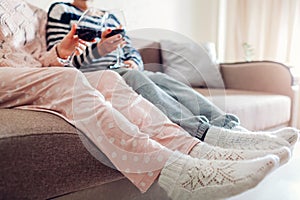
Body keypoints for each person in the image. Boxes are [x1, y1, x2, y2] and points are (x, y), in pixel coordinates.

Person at [0, 1, 297, 199]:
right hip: (75, 68)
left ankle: (206, 145)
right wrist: (96, 52)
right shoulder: (58, 11)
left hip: (39, 69)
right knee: (84, 78)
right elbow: (78, 67)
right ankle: (175, 168)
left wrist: (62, 53)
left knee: (129, 78)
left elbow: (29, 60)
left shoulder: (21, 14)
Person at [46, 0, 299, 147]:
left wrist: (136, 63)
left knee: (160, 78)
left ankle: (233, 130)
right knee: (132, 77)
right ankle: (204, 134)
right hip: (91, 77)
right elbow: (62, 61)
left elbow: (131, 51)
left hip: (122, 71)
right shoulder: (61, 11)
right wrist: (99, 50)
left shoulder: (111, 16)